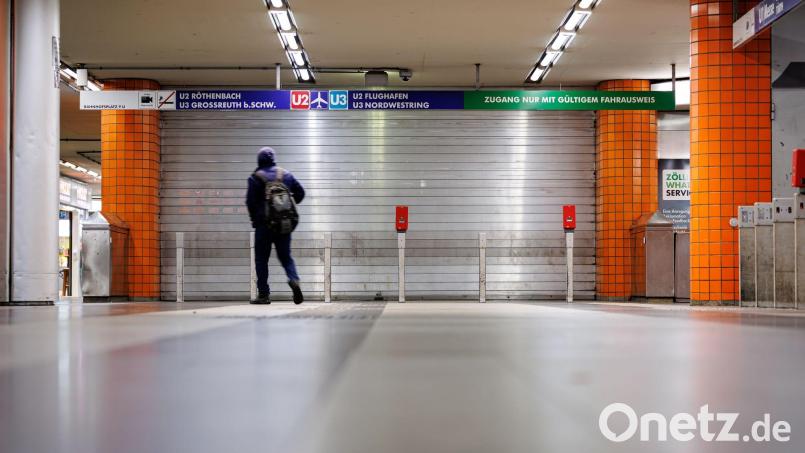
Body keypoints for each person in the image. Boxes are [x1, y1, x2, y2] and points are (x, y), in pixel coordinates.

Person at [246, 147, 305, 304]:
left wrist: (255, 220)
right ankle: (294, 280)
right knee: (286, 257)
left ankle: (264, 295)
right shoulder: (285, 175)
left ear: (259, 160)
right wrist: (286, 205)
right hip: (283, 225)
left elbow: (250, 202)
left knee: (261, 259)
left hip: (263, 226)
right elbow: (300, 193)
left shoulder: (255, 178)